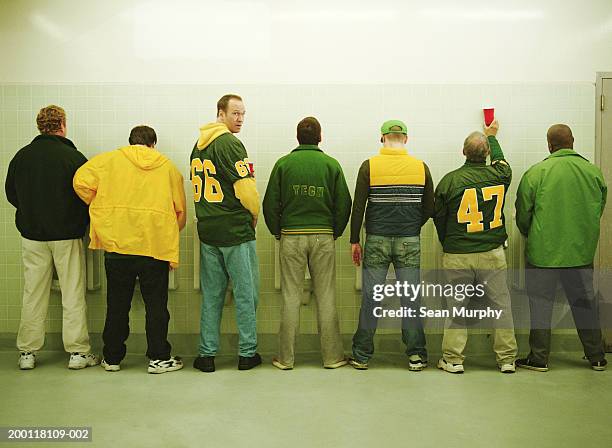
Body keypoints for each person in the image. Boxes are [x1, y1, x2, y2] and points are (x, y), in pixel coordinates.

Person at [73, 125, 186, 374]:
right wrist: (165, 232)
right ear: (153, 144)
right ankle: (159, 358)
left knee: (117, 305)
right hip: (154, 248)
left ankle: (112, 358)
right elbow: (180, 212)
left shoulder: (110, 160)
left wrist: (101, 207)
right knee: (156, 306)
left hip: (118, 245)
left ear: (130, 142)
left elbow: (80, 182)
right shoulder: (168, 167)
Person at [5, 105, 99, 370]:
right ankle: (78, 353)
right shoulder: (73, 158)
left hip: (32, 235)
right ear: (63, 125)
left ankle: (27, 352)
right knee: (72, 293)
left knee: (33, 292)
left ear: (40, 126)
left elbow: (12, 194)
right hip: (66, 236)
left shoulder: (21, 157)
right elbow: (87, 196)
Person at [515, 124, 607, 372]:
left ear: (549, 144)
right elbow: (599, 208)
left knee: (541, 305)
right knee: (584, 303)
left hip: (543, 254)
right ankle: (597, 356)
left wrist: (531, 233)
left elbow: (523, 214)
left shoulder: (537, 172)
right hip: (580, 252)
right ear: (573, 141)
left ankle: (539, 358)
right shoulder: (593, 172)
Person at [263, 117, 352, 370]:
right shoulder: (330, 164)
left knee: (291, 297)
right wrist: (333, 232)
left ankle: (285, 358)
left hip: (291, 235)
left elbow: (270, 203)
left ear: (297, 137)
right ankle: (332, 357)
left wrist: (278, 232)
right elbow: (344, 203)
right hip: (322, 235)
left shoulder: (284, 164)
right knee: (326, 297)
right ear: (320, 137)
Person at [349, 120, 434, 371]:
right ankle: (416, 355)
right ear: (405, 139)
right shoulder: (420, 167)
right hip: (409, 239)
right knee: (410, 299)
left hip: (376, 238)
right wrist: (411, 226)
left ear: (382, 139)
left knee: (371, 298)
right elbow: (429, 208)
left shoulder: (369, 166)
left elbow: (358, 207)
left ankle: (361, 355)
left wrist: (355, 240)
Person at [433, 120, 517, 374]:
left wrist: (449, 242)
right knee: (501, 305)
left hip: (458, 253)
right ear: (488, 154)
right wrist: (492, 137)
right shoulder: (500, 174)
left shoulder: (450, 181)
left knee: (456, 307)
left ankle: (454, 359)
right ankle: (507, 359)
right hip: (492, 252)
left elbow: (438, 216)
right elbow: (502, 162)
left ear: (463, 152)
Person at [191, 94, 261, 372]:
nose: (240, 119)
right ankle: (247, 353)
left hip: (208, 229)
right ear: (220, 113)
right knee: (246, 293)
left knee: (212, 295)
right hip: (234, 229)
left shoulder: (198, 146)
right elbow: (245, 187)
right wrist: (254, 213)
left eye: (243, 113)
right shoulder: (230, 143)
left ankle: (206, 355)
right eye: (235, 113)